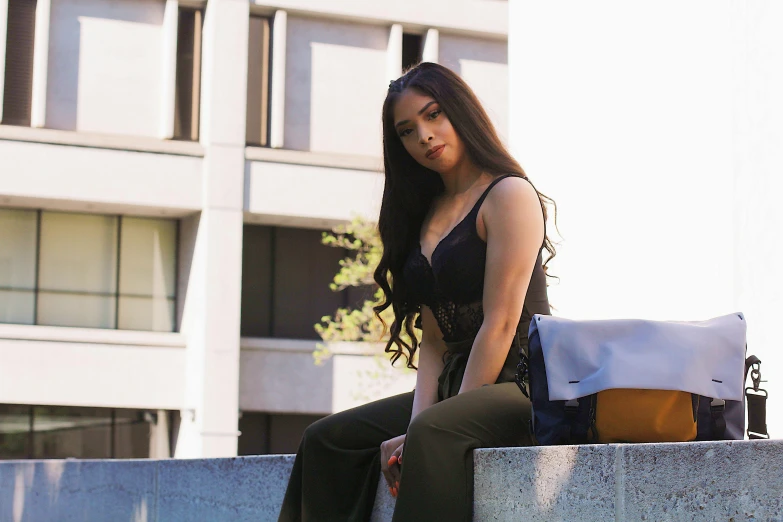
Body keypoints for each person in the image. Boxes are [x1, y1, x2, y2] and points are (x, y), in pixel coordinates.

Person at [277, 62, 556, 522]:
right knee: (327, 439)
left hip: (526, 382)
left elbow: (501, 322)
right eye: (407, 130)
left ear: (461, 113)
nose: (424, 135)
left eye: (433, 115)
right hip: (457, 383)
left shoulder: (508, 195)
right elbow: (435, 340)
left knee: (434, 433)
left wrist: (427, 428)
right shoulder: (427, 213)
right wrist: (414, 425)